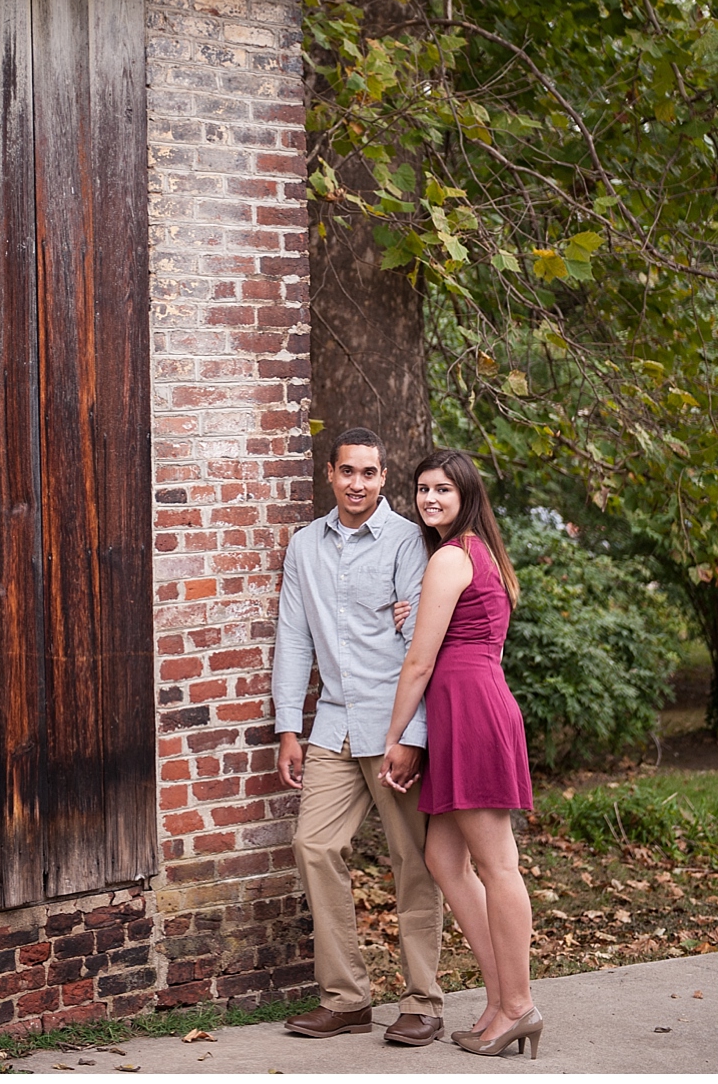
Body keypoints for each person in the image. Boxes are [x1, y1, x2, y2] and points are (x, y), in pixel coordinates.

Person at [272, 427, 445, 1046]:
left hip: (393, 726)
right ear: (330, 473)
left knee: (415, 865)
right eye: (348, 472)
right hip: (334, 724)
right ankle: (346, 998)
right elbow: (293, 636)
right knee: (314, 846)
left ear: (383, 476)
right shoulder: (304, 547)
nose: (358, 484)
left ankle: (423, 1001)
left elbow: (420, 647)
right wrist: (289, 726)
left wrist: (414, 736)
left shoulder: (408, 542)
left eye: (370, 474)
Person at [379, 448, 541, 1059]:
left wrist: (394, 739)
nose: (429, 499)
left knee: (498, 865)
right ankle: (500, 999)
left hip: (469, 710)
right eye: (423, 489)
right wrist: (412, 615)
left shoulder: (452, 555)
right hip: (466, 706)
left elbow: (421, 661)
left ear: (465, 493)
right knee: (445, 860)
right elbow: (446, 634)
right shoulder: (475, 553)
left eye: (443, 489)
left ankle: (518, 1005)